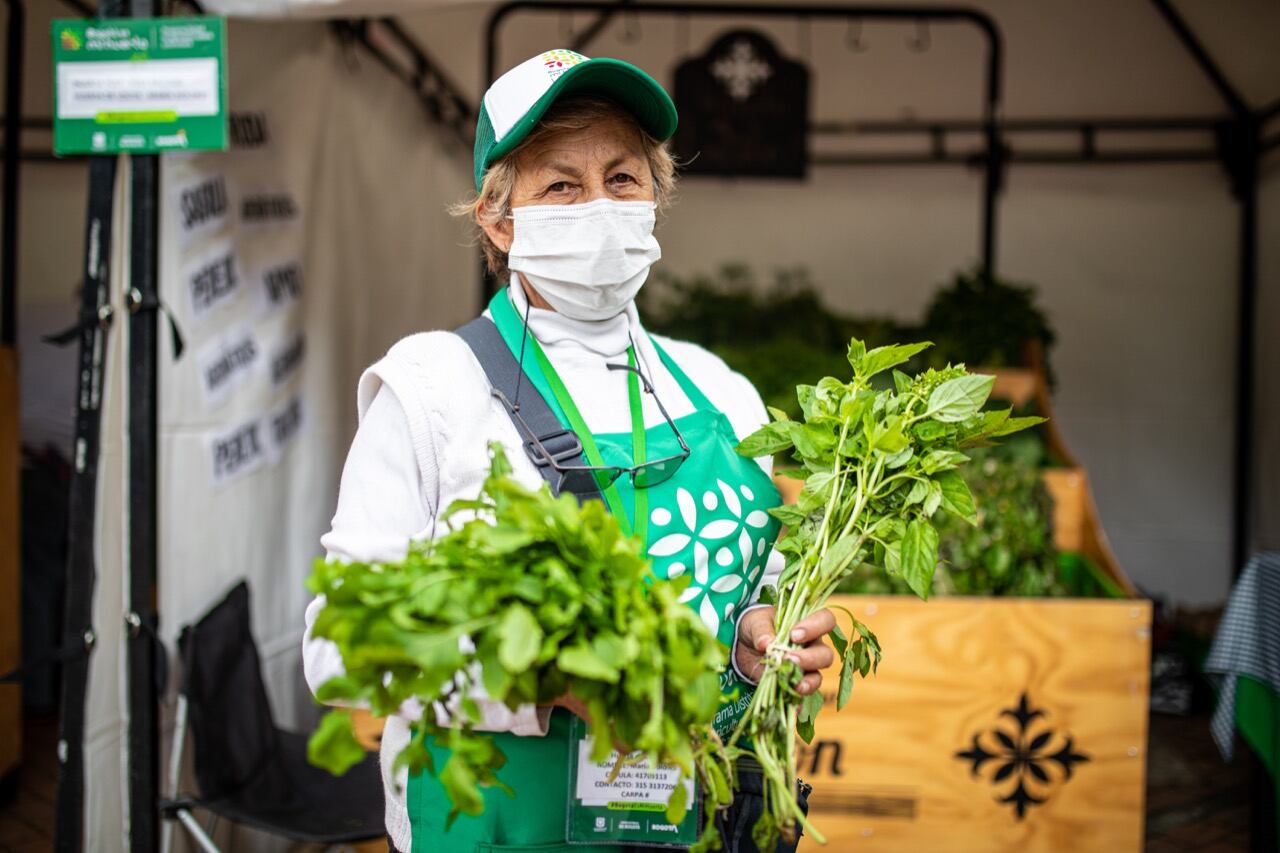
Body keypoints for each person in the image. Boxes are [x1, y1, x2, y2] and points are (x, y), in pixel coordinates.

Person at [303, 48, 835, 853]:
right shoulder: (432, 388)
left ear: (655, 197)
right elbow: (339, 646)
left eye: (622, 179)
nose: (599, 204)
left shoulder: (719, 389)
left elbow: (751, 586)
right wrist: (536, 681)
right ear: (497, 217)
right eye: (561, 184)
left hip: (690, 824)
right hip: (496, 827)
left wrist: (759, 638)